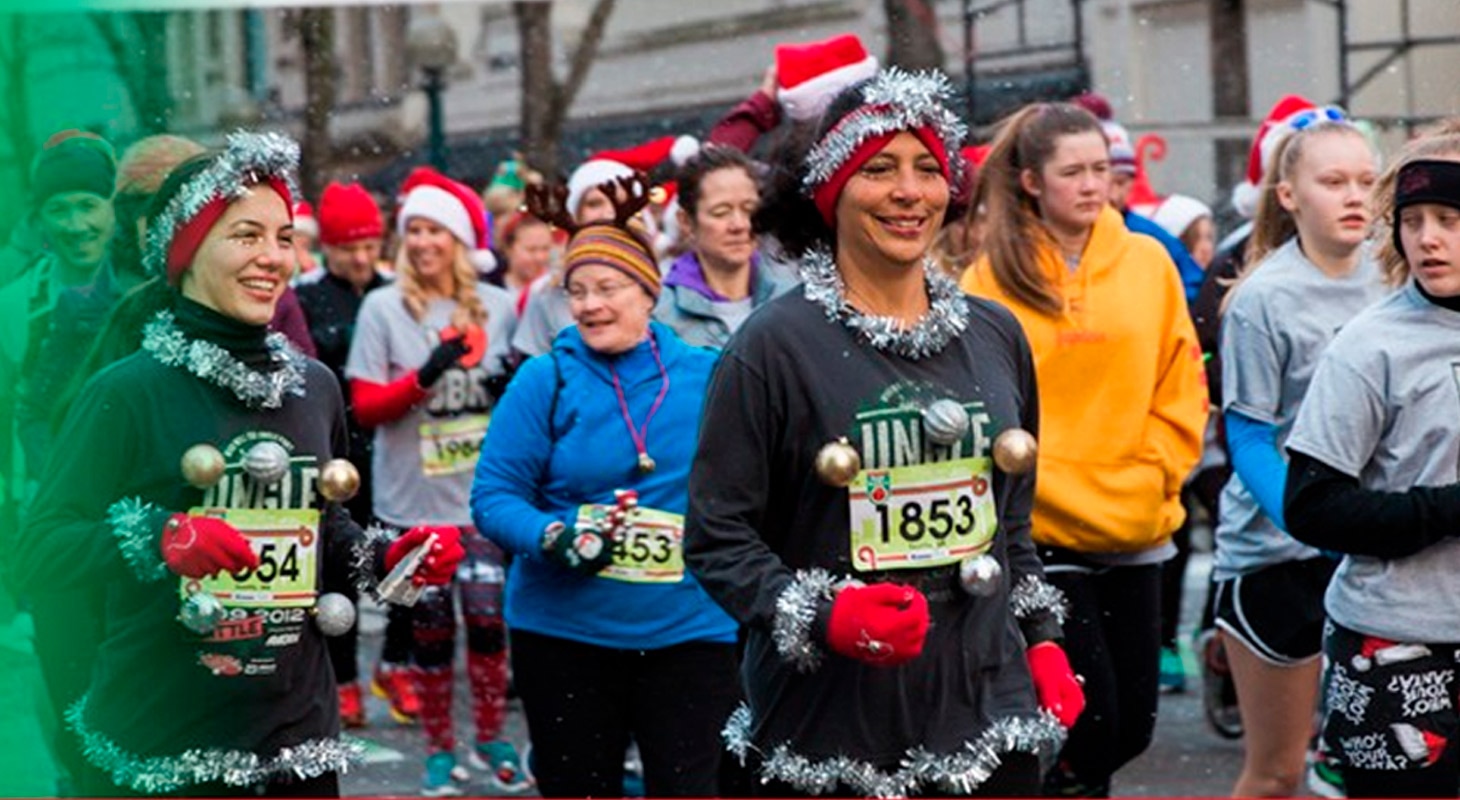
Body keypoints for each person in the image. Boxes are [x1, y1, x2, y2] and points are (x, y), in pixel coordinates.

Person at [8, 131, 463, 798]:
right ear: (187, 253)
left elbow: (319, 528)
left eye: (283, 237)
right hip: (163, 740)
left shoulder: (314, 386)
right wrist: (163, 538)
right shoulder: (126, 391)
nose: (272, 258)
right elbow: (38, 551)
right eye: (246, 235)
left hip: (294, 737)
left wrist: (391, 561)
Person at [684, 70, 1083, 798]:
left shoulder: (997, 334)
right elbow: (718, 539)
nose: (910, 192)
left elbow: (1011, 528)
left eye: (929, 169)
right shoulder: (770, 348)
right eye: (879, 170)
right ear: (831, 192)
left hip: (986, 719)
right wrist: (825, 614)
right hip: (829, 729)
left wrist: (1044, 644)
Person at [961, 101, 1207, 797]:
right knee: (1088, 719)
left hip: (1134, 519)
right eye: (1074, 172)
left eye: (1102, 168)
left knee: (1132, 728)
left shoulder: (1149, 261)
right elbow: (981, 405)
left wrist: (1160, 469)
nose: (1093, 184)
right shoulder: (990, 278)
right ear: (1033, 181)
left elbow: (1181, 379)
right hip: (1039, 533)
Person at [472, 172, 741, 798]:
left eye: (609, 288)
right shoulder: (545, 379)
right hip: (566, 634)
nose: (591, 305)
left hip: (690, 631)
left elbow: (751, 484)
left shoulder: (711, 376)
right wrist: (553, 534)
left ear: (650, 293)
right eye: (577, 290)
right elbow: (494, 496)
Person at [1283, 128, 1460, 799]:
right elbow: (1312, 505)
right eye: (1412, 222)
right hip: (1395, 643)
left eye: (1448, 220)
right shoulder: (1369, 345)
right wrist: (1447, 508)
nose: (1427, 240)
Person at [1213, 114, 1383, 797]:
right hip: (1276, 558)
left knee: (1380, 764)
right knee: (1280, 773)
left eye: (1367, 181)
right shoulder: (1262, 298)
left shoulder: (1398, 277)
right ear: (1288, 195)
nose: (1355, 197)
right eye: (1333, 181)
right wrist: (1316, 521)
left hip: (1377, 555)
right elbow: (1249, 436)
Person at [344, 168, 527, 796]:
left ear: (456, 240)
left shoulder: (499, 306)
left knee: (485, 621)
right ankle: (440, 750)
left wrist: (513, 384)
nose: (421, 242)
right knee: (430, 631)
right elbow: (365, 406)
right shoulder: (382, 307)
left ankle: (492, 738)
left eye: (434, 230)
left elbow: (528, 396)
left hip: (484, 499)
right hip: (412, 502)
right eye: (412, 229)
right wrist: (426, 373)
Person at [296, 180, 390, 730]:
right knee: (340, 566)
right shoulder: (309, 297)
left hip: (393, 450)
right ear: (329, 248)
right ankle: (346, 676)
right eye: (350, 247)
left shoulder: (393, 290)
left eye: (370, 246)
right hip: (338, 449)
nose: (361, 258)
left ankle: (397, 663)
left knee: (392, 556)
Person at [655, 144, 782, 347]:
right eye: (721, 212)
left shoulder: (795, 291)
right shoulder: (661, 318)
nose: (740, 225)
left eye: (749, 209)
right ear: (686, 221)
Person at [510, 158, 631, 359]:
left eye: (617, 201)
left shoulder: (660, 284)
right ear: (577, 215)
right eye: (594, 203)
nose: (608, 212)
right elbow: (532, 375)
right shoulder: (548, 294)